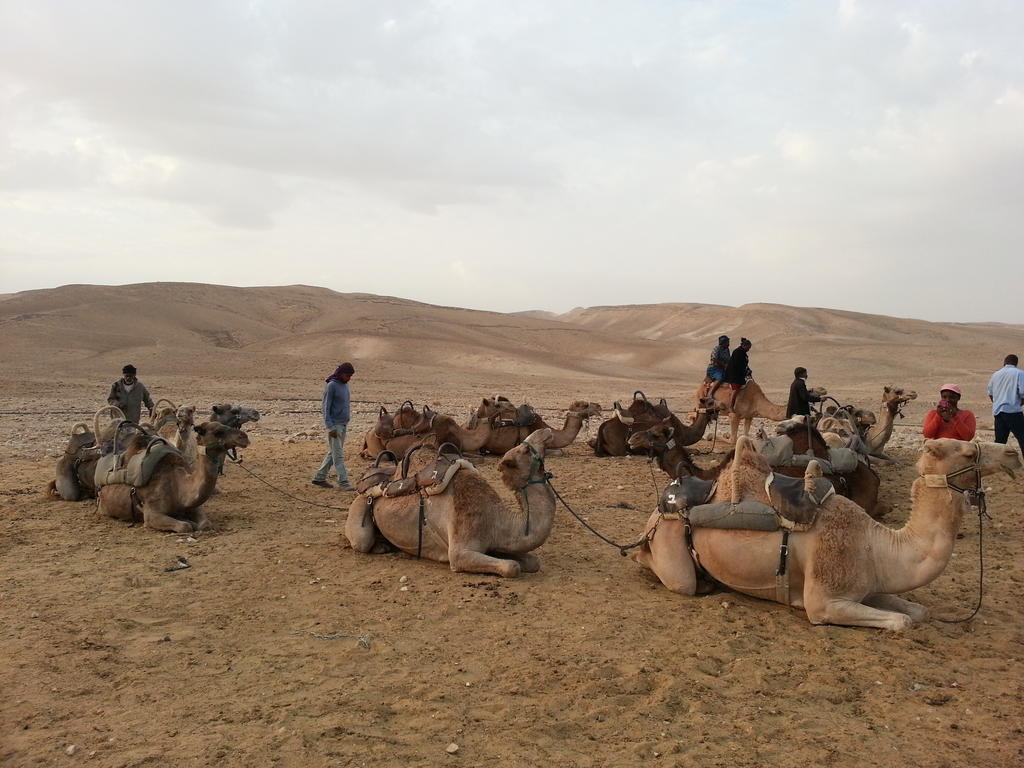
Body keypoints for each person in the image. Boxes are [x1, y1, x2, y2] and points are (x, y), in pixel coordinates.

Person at [312, 362, 356, 490]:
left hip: (343, 424)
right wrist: (330, 427)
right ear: (341, 374)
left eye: (350, 376)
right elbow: (325, 408)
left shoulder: (345, 386)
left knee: (333, 453)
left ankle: (319, 477)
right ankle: (343, 482)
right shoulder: (331, 386)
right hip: (335, 426)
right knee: (338, 456)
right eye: (347, 376)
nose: (349, 378)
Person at [987, 354, 1024, 449]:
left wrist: (997, 403)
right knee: (1022, 438)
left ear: (1004, 362)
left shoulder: (995, 374)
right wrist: (1020, 403)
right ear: (1016, 363)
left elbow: (990, 393)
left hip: (998, 412)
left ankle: (997, 463)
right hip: (1013, 411)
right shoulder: (1019, 373)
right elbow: (1023, 392)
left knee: (999, 442)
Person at [722, 337, 752, 406]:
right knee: (735, 389)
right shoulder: (737, 352)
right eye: (748, 347)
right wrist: (745, 371)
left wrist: (748, 370)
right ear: (745, 346)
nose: (749, 349)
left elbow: (744, 364)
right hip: (734, 374)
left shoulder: (743, 353)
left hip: (739, 374)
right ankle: (731, 406)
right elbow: (737, 364)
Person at [705, 335, 731, 399]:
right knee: (720, 378)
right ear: (723, 342)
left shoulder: (727, 350)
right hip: (714, 368)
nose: (728, 343)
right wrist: (724, 365)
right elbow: (714, 359)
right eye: (727, 342)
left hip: (723, 369)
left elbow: (729, 360)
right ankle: (710, 394)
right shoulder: (717, 348)